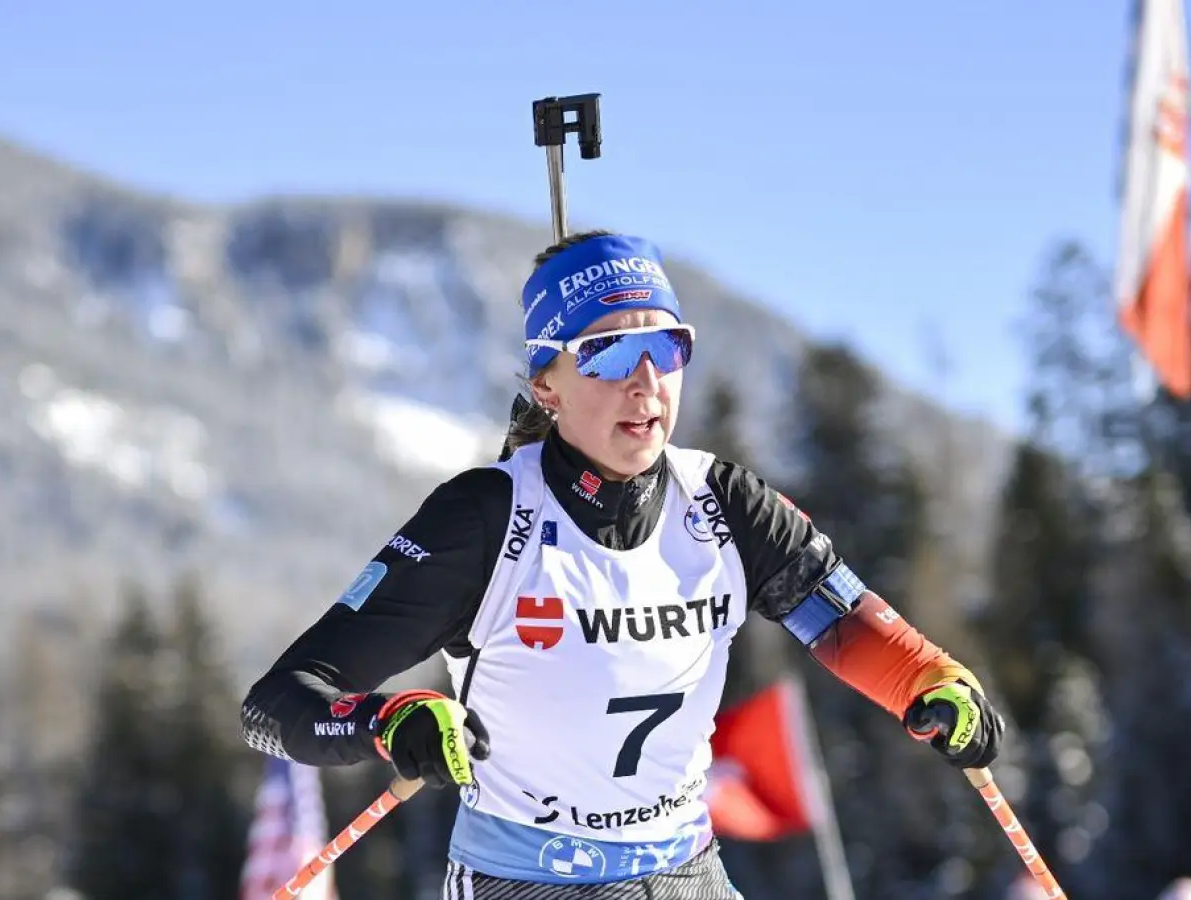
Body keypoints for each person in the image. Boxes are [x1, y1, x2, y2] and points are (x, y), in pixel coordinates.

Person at [241, 230, 1006, 898]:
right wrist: (388, 722)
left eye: (665, 347)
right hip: (526, 881)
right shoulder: (484, 518)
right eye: (606, 353)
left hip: (684, 873)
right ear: (546, 382)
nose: (645, 382)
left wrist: (931, 683)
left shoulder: (723, 501)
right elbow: (278, 704)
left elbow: (842, 619)